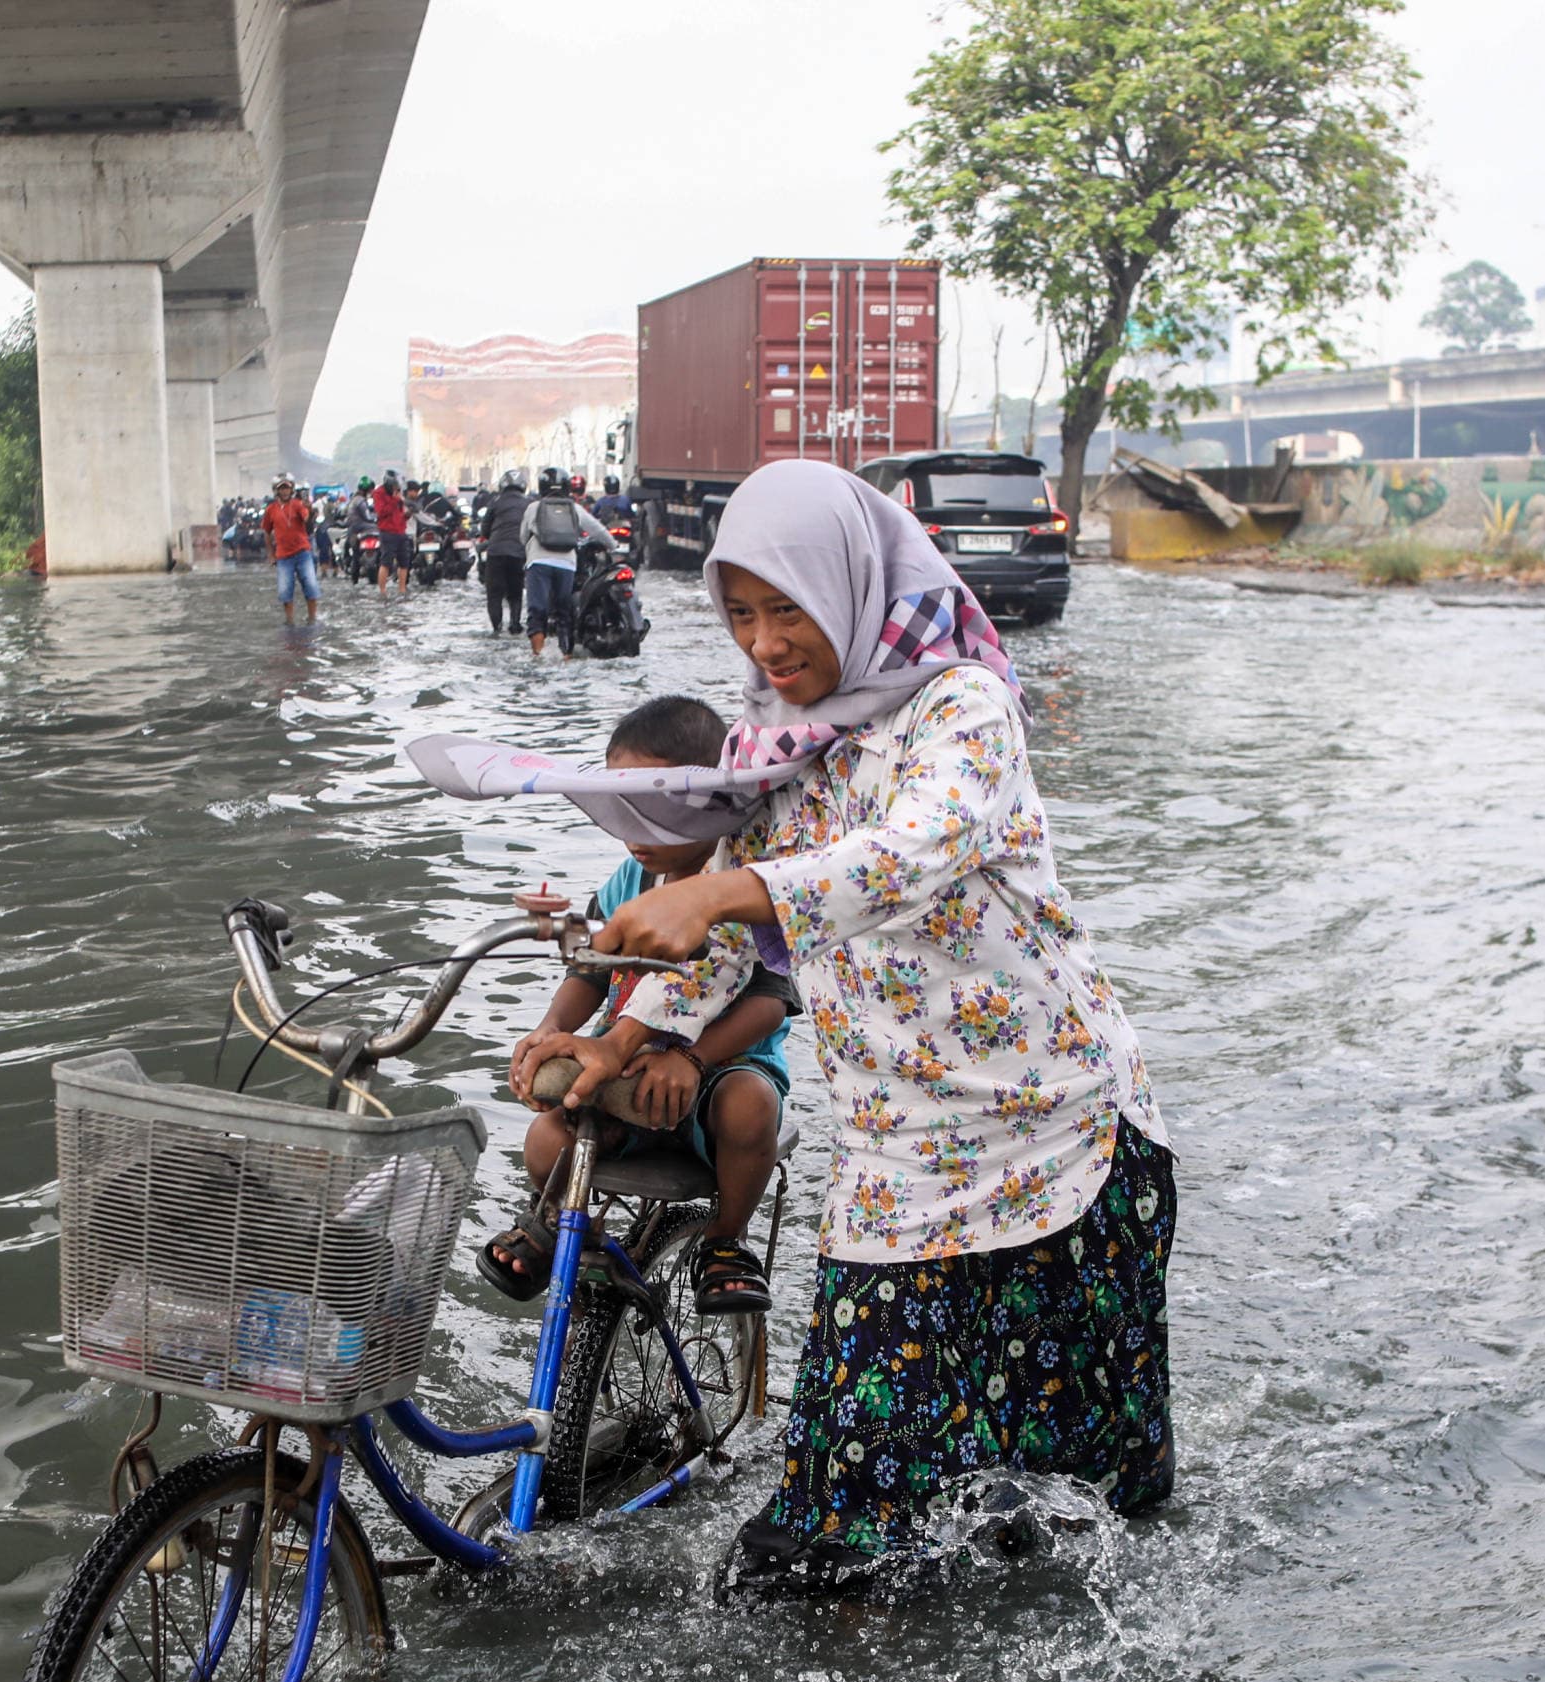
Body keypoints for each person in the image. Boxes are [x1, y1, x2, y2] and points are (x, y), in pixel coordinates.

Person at [415, 458, 1173, 1581]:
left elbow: (909, 851)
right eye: (740, 614)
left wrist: (722, 888)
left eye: (788, 609)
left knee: (1070, 1516)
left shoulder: (961, 707)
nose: (764, 642)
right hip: (897, 1167)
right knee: (827, 1540)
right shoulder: (778, 750)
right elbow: (717, 949)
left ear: (853, 586)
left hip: (1055, 1140)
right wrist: (615, 1042)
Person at [481, 695, 790, 1315]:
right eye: (626, 809)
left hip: (717, 1073)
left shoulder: (748, 880)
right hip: (619, 1072)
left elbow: (772, 1001)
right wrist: (548, 1028)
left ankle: (724, 1242)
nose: (635, 831)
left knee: (750, 1108)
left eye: (653, 810)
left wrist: (695, 1061)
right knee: (544, 1141)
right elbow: (591, 973)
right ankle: (571, 1232)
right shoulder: (630, 881)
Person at [521, 468, 608, 659]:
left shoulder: (533, 508)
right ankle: (565, 656)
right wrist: (613, 545)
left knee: (538, 609)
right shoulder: (574, 508)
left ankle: (538, 654)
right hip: (567, 564)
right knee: (564, 611)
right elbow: (597, 530)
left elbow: (523, 537)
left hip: (538, 562)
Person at [476, 470, 531, 636]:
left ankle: (496, 628)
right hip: (519, 553)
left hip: (496, 552)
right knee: (515, 592)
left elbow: (485, 529)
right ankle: (515, 624)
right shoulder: (529, 503)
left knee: (494, 594)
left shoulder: (495, 502)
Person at [263, 474, 319, 626]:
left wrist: (309, 510)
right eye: (282, 488)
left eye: (287, 487)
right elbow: (267, 532)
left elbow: (307, 519)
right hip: (283, 556)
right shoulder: (270, 510)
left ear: (292, 489)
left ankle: (312, 618)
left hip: (302, 552)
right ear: (276, 490)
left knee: (311, 585)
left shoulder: (298, 505)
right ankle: (289, 620)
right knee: (285, 591)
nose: (285, 491)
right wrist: (271, 555)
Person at [372, 472, 413, 600]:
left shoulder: (399, 494)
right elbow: (381, 512)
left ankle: (402, 589)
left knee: (404, 562)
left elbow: (400, 512)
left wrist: (406, 515)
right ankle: (382, 591)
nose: (397, 489)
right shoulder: (379, 494)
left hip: (400, 530)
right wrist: (395, 500)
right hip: (387, 532)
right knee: (386, 562)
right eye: (395, 486)